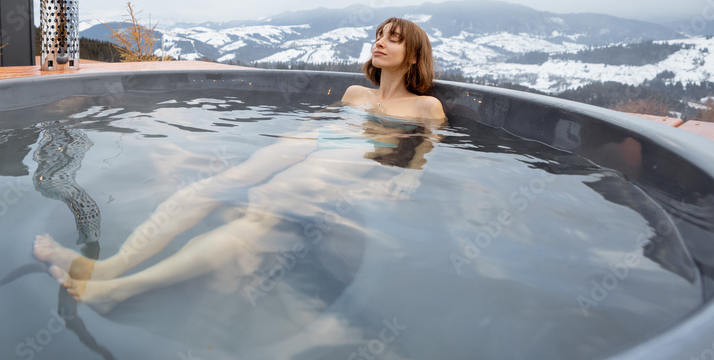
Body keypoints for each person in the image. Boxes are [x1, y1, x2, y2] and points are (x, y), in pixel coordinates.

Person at [33, 17, 445, 312]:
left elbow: (429, 144)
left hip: (347, 160)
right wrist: (285, 144)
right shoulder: (356, 94)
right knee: (209, 188)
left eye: (393, 39)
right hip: (319, 144)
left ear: (413, 56)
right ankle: (109, 267)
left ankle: (121, 288)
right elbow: (321, 125)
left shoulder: (425, 105)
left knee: (262, 211)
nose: (380, 42)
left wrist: (411, 176)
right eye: (378, 36)